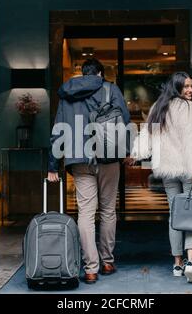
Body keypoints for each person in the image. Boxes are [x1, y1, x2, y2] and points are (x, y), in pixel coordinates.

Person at [48, 58, 131, 284]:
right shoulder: (110, 89)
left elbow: (58, 130)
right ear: (100, 73)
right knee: (107, 211)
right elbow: (124, 120)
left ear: (82, 73)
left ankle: (90, 269)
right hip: (109, 157)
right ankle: (106, 261)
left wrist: (53, 166)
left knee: (85, 213)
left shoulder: (67, 94)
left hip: (79, 159)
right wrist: (128, 150)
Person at [128, 72, 192, 283]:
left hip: (167, 170)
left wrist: (136, 155)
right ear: (177, 88)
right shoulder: (191, 109)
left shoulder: (159, 107)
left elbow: (147, 135)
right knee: (191, 216)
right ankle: (191, 262)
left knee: (175, 216)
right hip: (189, 171)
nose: (190, 90)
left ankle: (177, 263)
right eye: (186, 87)